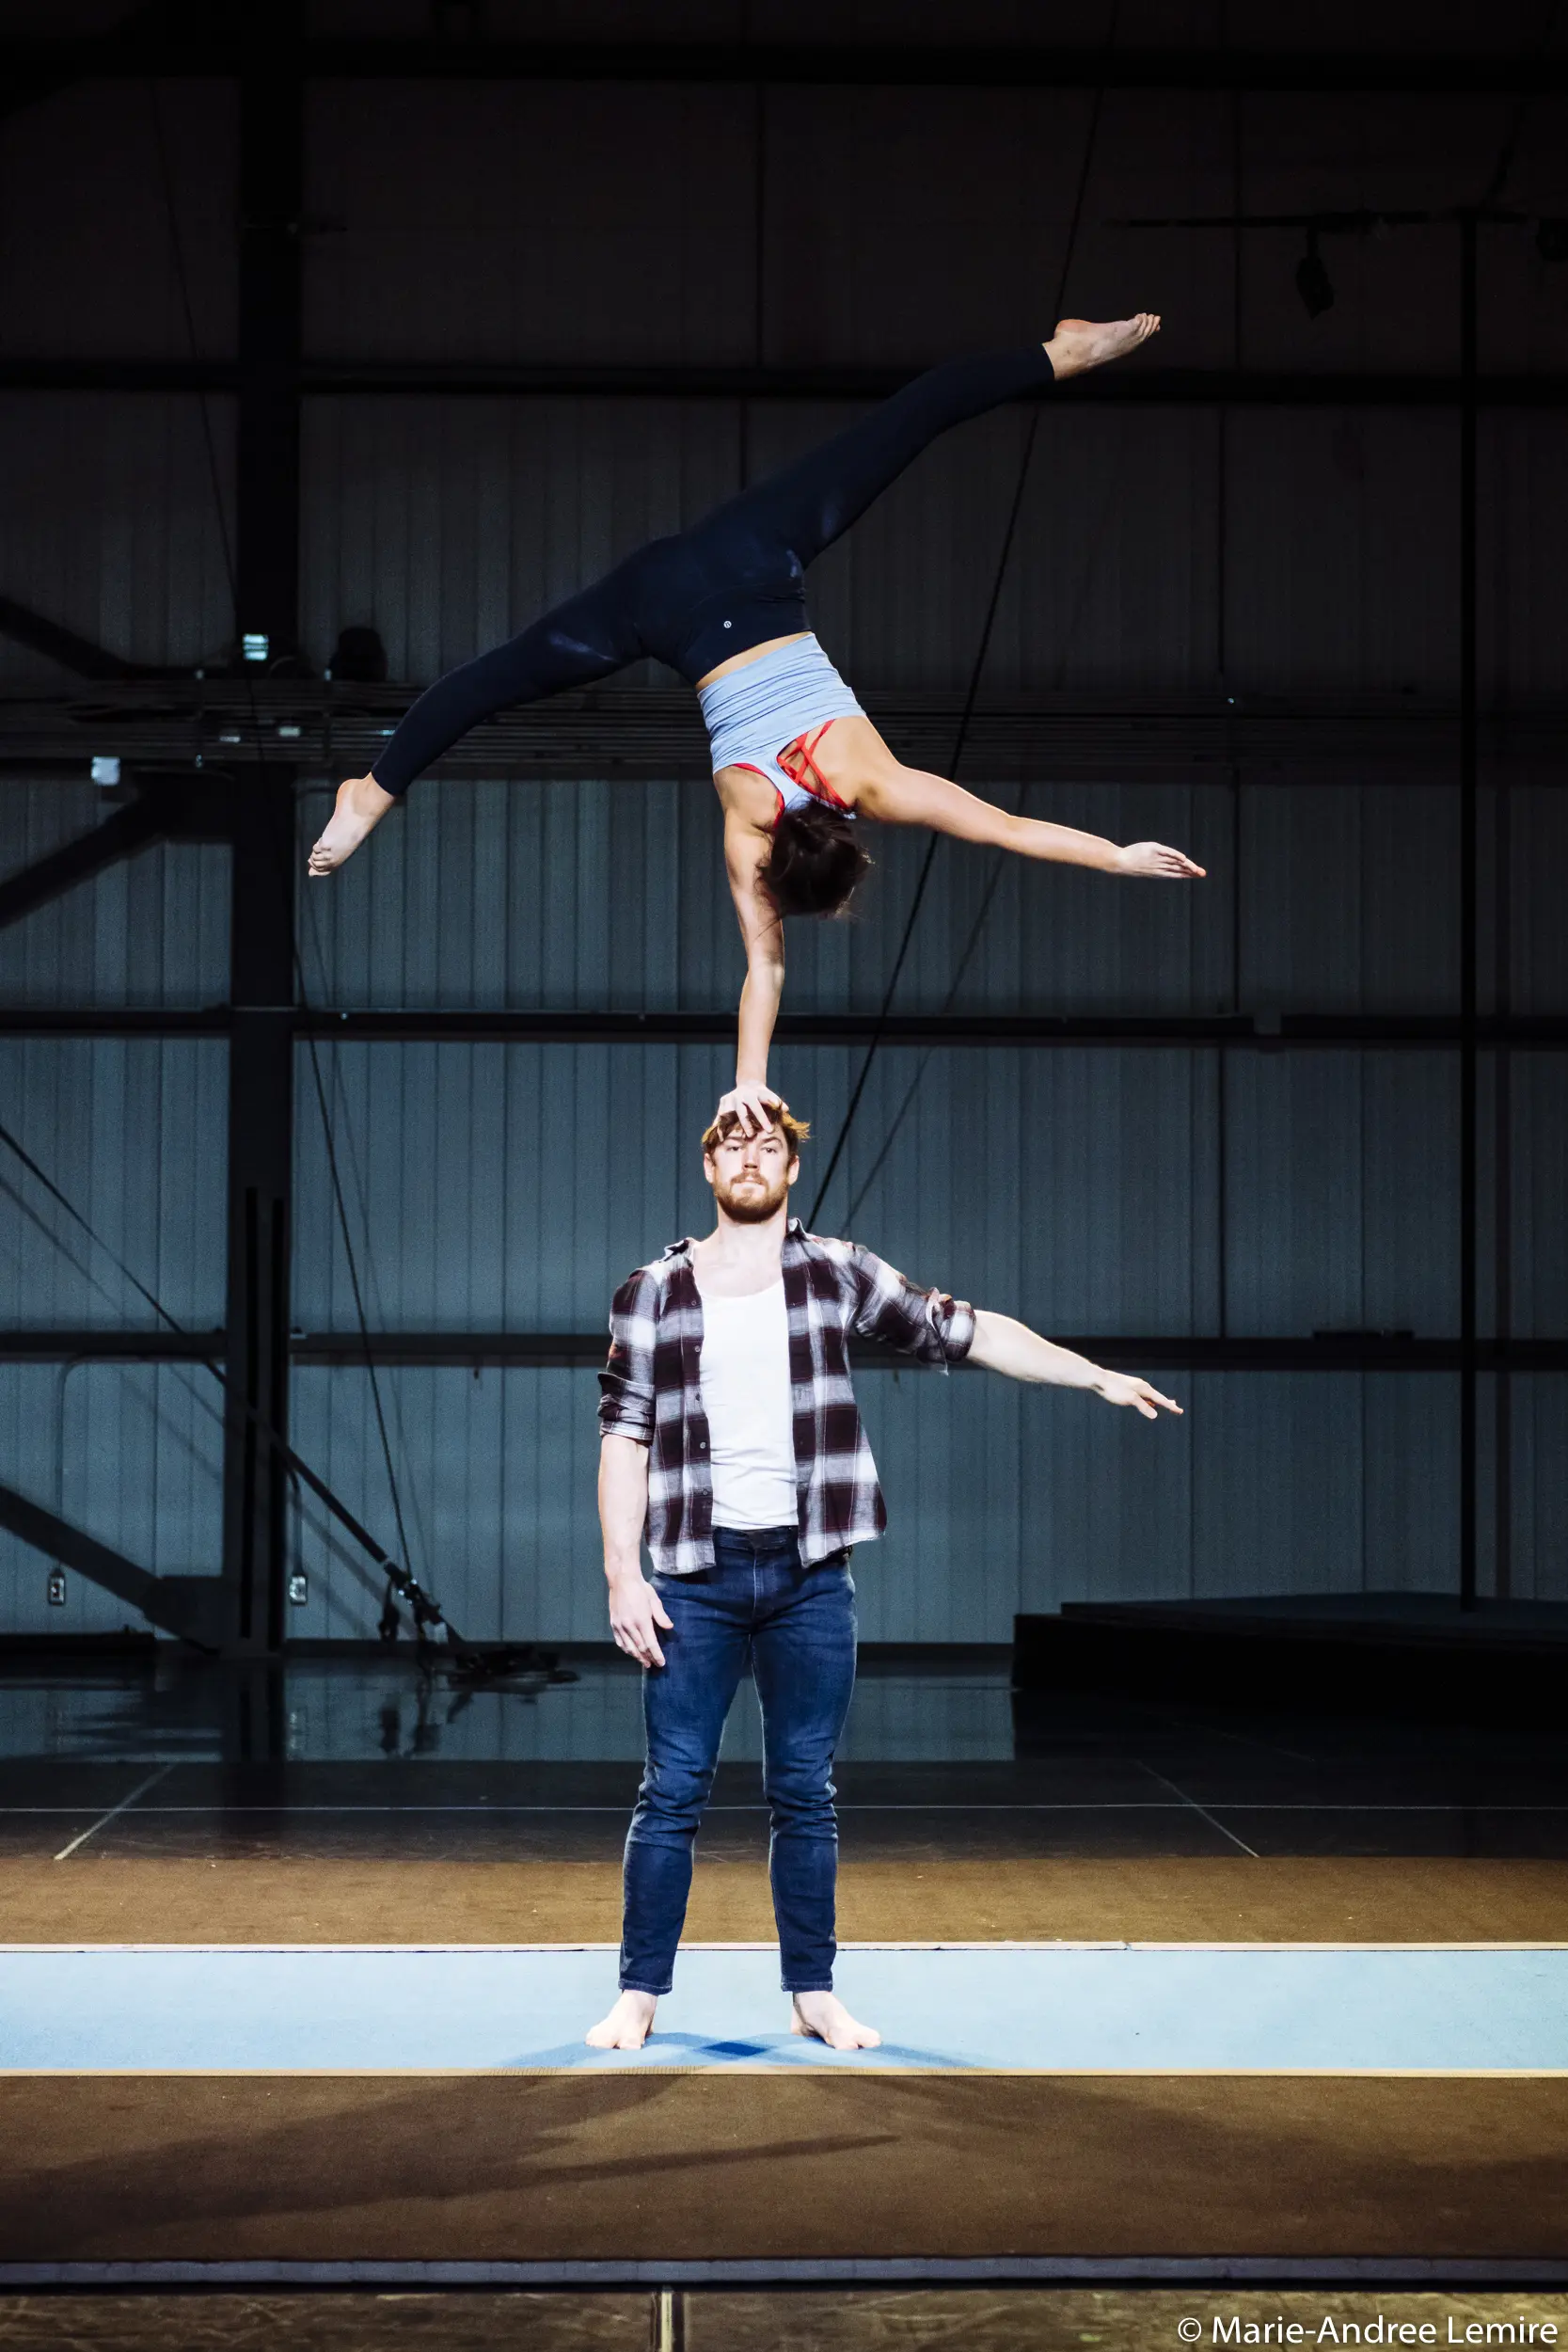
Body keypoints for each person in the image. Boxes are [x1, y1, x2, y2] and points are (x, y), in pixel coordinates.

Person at [308, 316, 1204, 1133]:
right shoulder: (748, 833)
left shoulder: (871, 784)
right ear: (785, 872)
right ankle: (371, 796)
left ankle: (1059, 352)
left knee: (906, 423)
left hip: (751, 556)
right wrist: (744, 1081)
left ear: (852, 856)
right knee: (494, 680)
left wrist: (1116, 854)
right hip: (657, 610)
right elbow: (762, 973)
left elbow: (1006, 829)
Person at [587, 1100, 1181, 2053]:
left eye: (768, 1144)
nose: (749, 1155)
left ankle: (811, 1991)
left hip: (808, 1576)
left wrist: (1090, 1374)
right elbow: (621, 1434)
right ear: (708, 1167)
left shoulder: (834, 1272)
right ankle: (638, 1993)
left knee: (805, 1790)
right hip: (693, 1577)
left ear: (789, 1170)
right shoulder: (652, 1289)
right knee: (673, 1792)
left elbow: (969, 1330)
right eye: (732, 1143)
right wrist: (624, 1573)